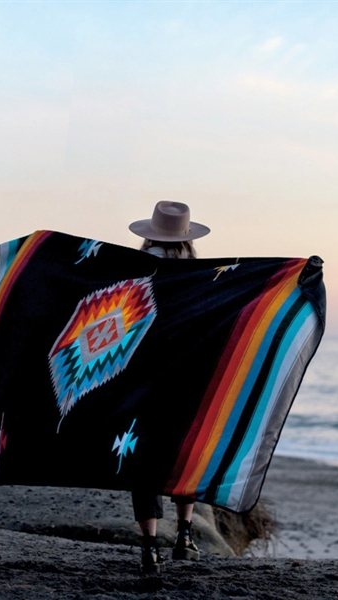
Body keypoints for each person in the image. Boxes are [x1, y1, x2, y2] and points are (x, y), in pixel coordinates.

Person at [128, 200, 211, 574]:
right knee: (184, 453)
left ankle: (149, 547)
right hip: (186, 376)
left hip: (141, 374)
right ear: (187, 239)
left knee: (143, 459)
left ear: (149, 236)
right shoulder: (200, 276)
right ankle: (185, 537)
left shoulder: (135, 271)